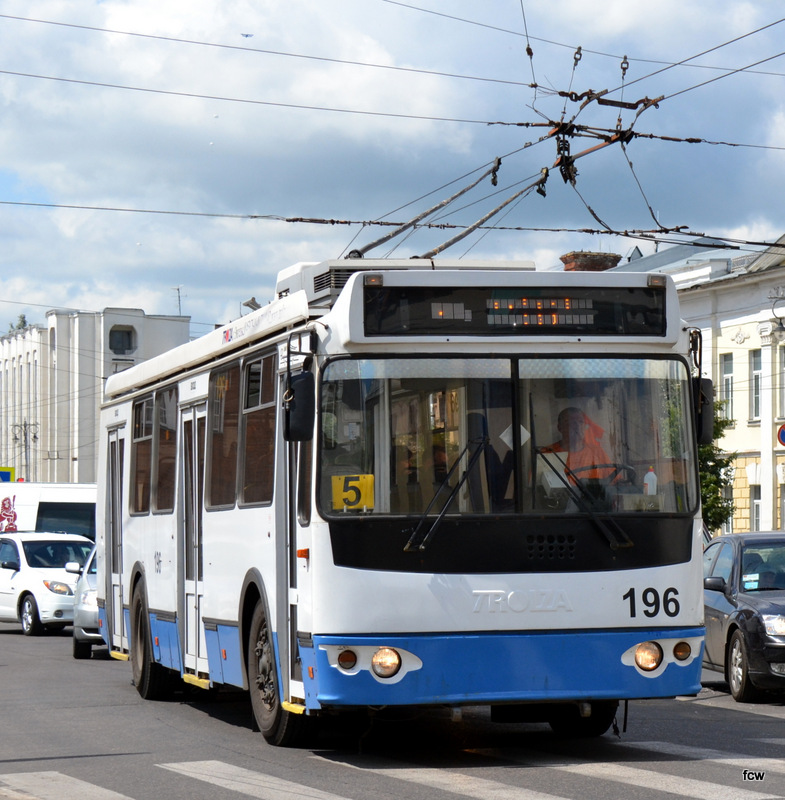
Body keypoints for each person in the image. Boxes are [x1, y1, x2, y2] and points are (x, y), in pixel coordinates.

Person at [541, 406, 616, 483]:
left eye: (580, 421)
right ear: (559, 428)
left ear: (584, 426)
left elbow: (615, 482)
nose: (577, 425)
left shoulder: (597, 452)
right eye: (570, 422)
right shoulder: (547, 454)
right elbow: (537, 487)